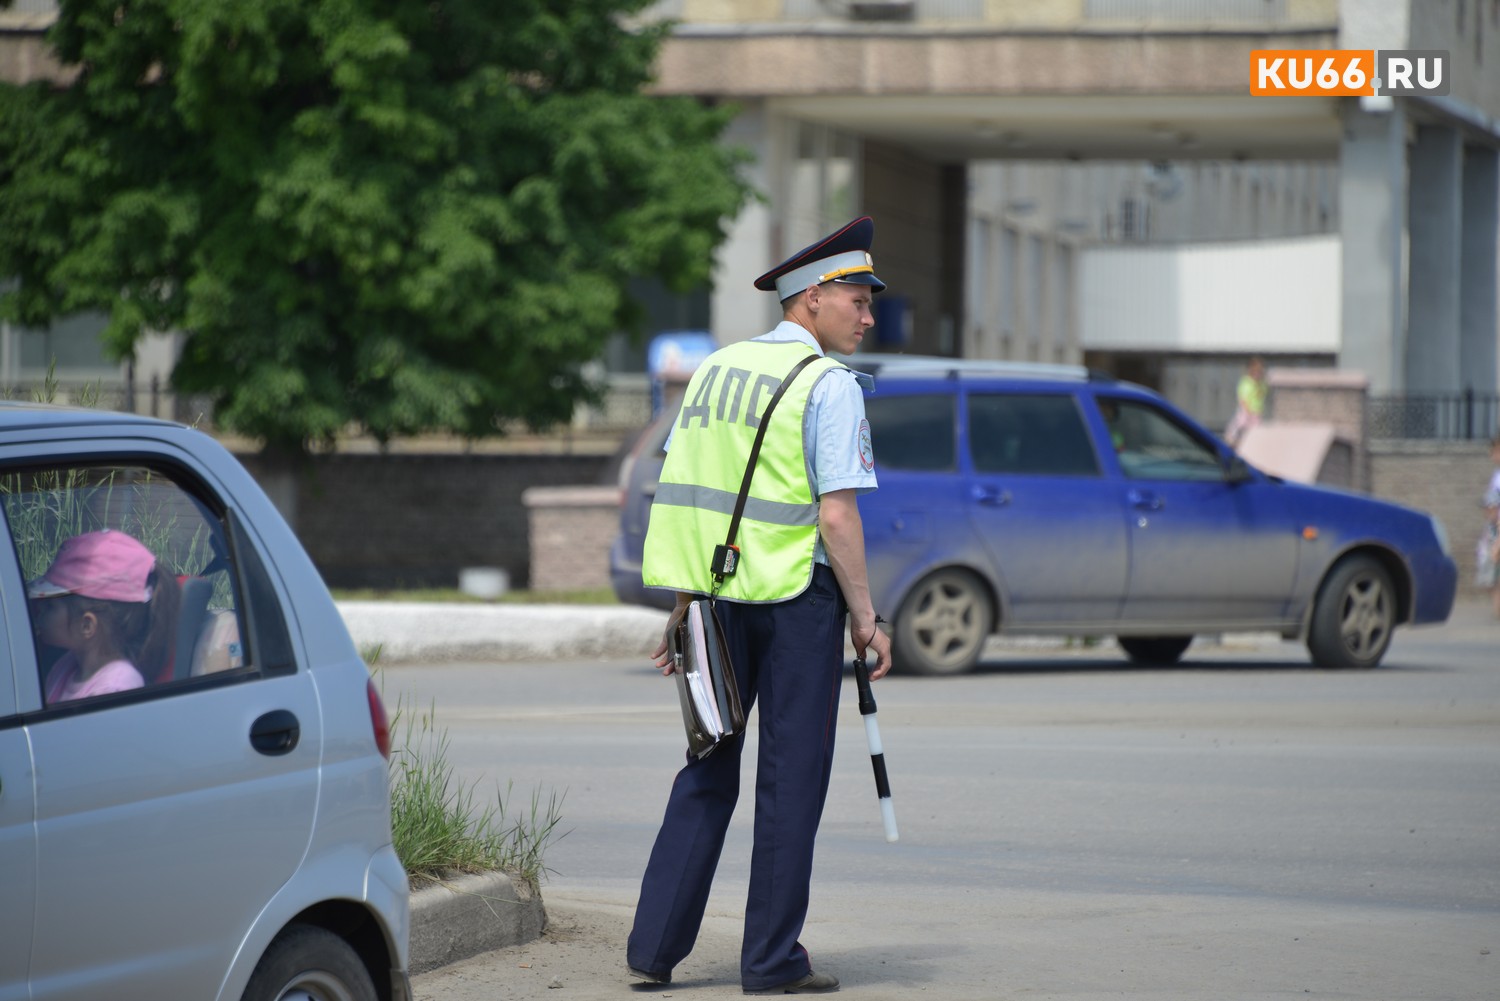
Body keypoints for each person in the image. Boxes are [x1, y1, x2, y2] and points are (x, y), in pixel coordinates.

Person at [627, 216, 894, 995]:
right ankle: (771, 960)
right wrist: (866, 616)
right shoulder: (828, 386)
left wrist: (682, 604)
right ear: (813, 298)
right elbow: (837, 516)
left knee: (708, 761)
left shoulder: (713, 370)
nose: (869, 314)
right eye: (858, 298)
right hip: (795, 602)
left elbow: (683, 494)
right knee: (790, 776)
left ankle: (653, 950)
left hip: (713, 598)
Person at [29, 529, 181, 705]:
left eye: (50, 606)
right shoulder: (67, 666)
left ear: (87, 626)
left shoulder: (117, 688)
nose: (39, 609)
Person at [1478, 435, 1500, 621]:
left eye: (1496, 451)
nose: (1492, 455)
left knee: (1494, 571)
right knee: (1492, 573)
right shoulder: (1496, 475)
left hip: (1497, 531)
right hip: (1493, 530)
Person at [1224, 355, 1267, 449]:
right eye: (1255, 372)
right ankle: (1232, 439)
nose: (1257, 375)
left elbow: (1262, 394)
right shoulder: (1246, 382)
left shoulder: (1261, 384)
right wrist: (1247, 411)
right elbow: (1243, 398)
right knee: (1240, 423)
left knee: (1256, 429)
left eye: (1259, 372)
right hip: (1247, 411)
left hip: (1257, 411)